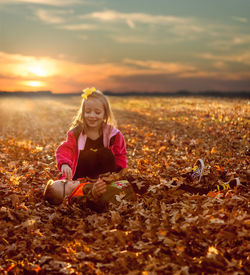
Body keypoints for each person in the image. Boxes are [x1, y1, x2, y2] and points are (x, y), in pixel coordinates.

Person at [56, 87, 127, 200]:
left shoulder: (113, 135)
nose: (92, 115)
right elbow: (66, 149)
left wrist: (116, 174)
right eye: (88, 111)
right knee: (59, 190)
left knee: (105, 154)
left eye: (97, 112)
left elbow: (120, 156)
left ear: (105, 114)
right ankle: (83, 191)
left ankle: (100, 189)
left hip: (104, 176)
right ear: (83, 113)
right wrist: (65, 163)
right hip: (80, 176)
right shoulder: (76, 133)